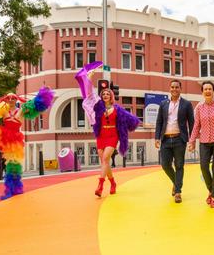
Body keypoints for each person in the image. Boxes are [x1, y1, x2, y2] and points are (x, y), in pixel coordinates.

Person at [75, 62, 140, 197]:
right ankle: (113, 182)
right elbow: (89, 92)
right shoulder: (98, 107)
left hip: (112, 135)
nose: (105, 95)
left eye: (107, 94)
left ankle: (100, 185)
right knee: (104, 162)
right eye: (103, 94)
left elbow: (131, 120)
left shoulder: (117, 109)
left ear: (111, 96)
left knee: (105, 159)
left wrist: (138, 123)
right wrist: (89, 78)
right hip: (101, 135)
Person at [155, 80, 195, 203]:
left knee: (179, 166)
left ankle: (178, 192)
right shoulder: (163, 104)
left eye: (177, 87)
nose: (174, 89)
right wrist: (157, 138)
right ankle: (176, 183)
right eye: (172, 87)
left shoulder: (187, 104)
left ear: (180, 89)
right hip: (166, 139)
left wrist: (192, 140)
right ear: (170, 89)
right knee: (165, 165)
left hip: (179, 139)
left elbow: (192, 122)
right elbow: (159, 122)